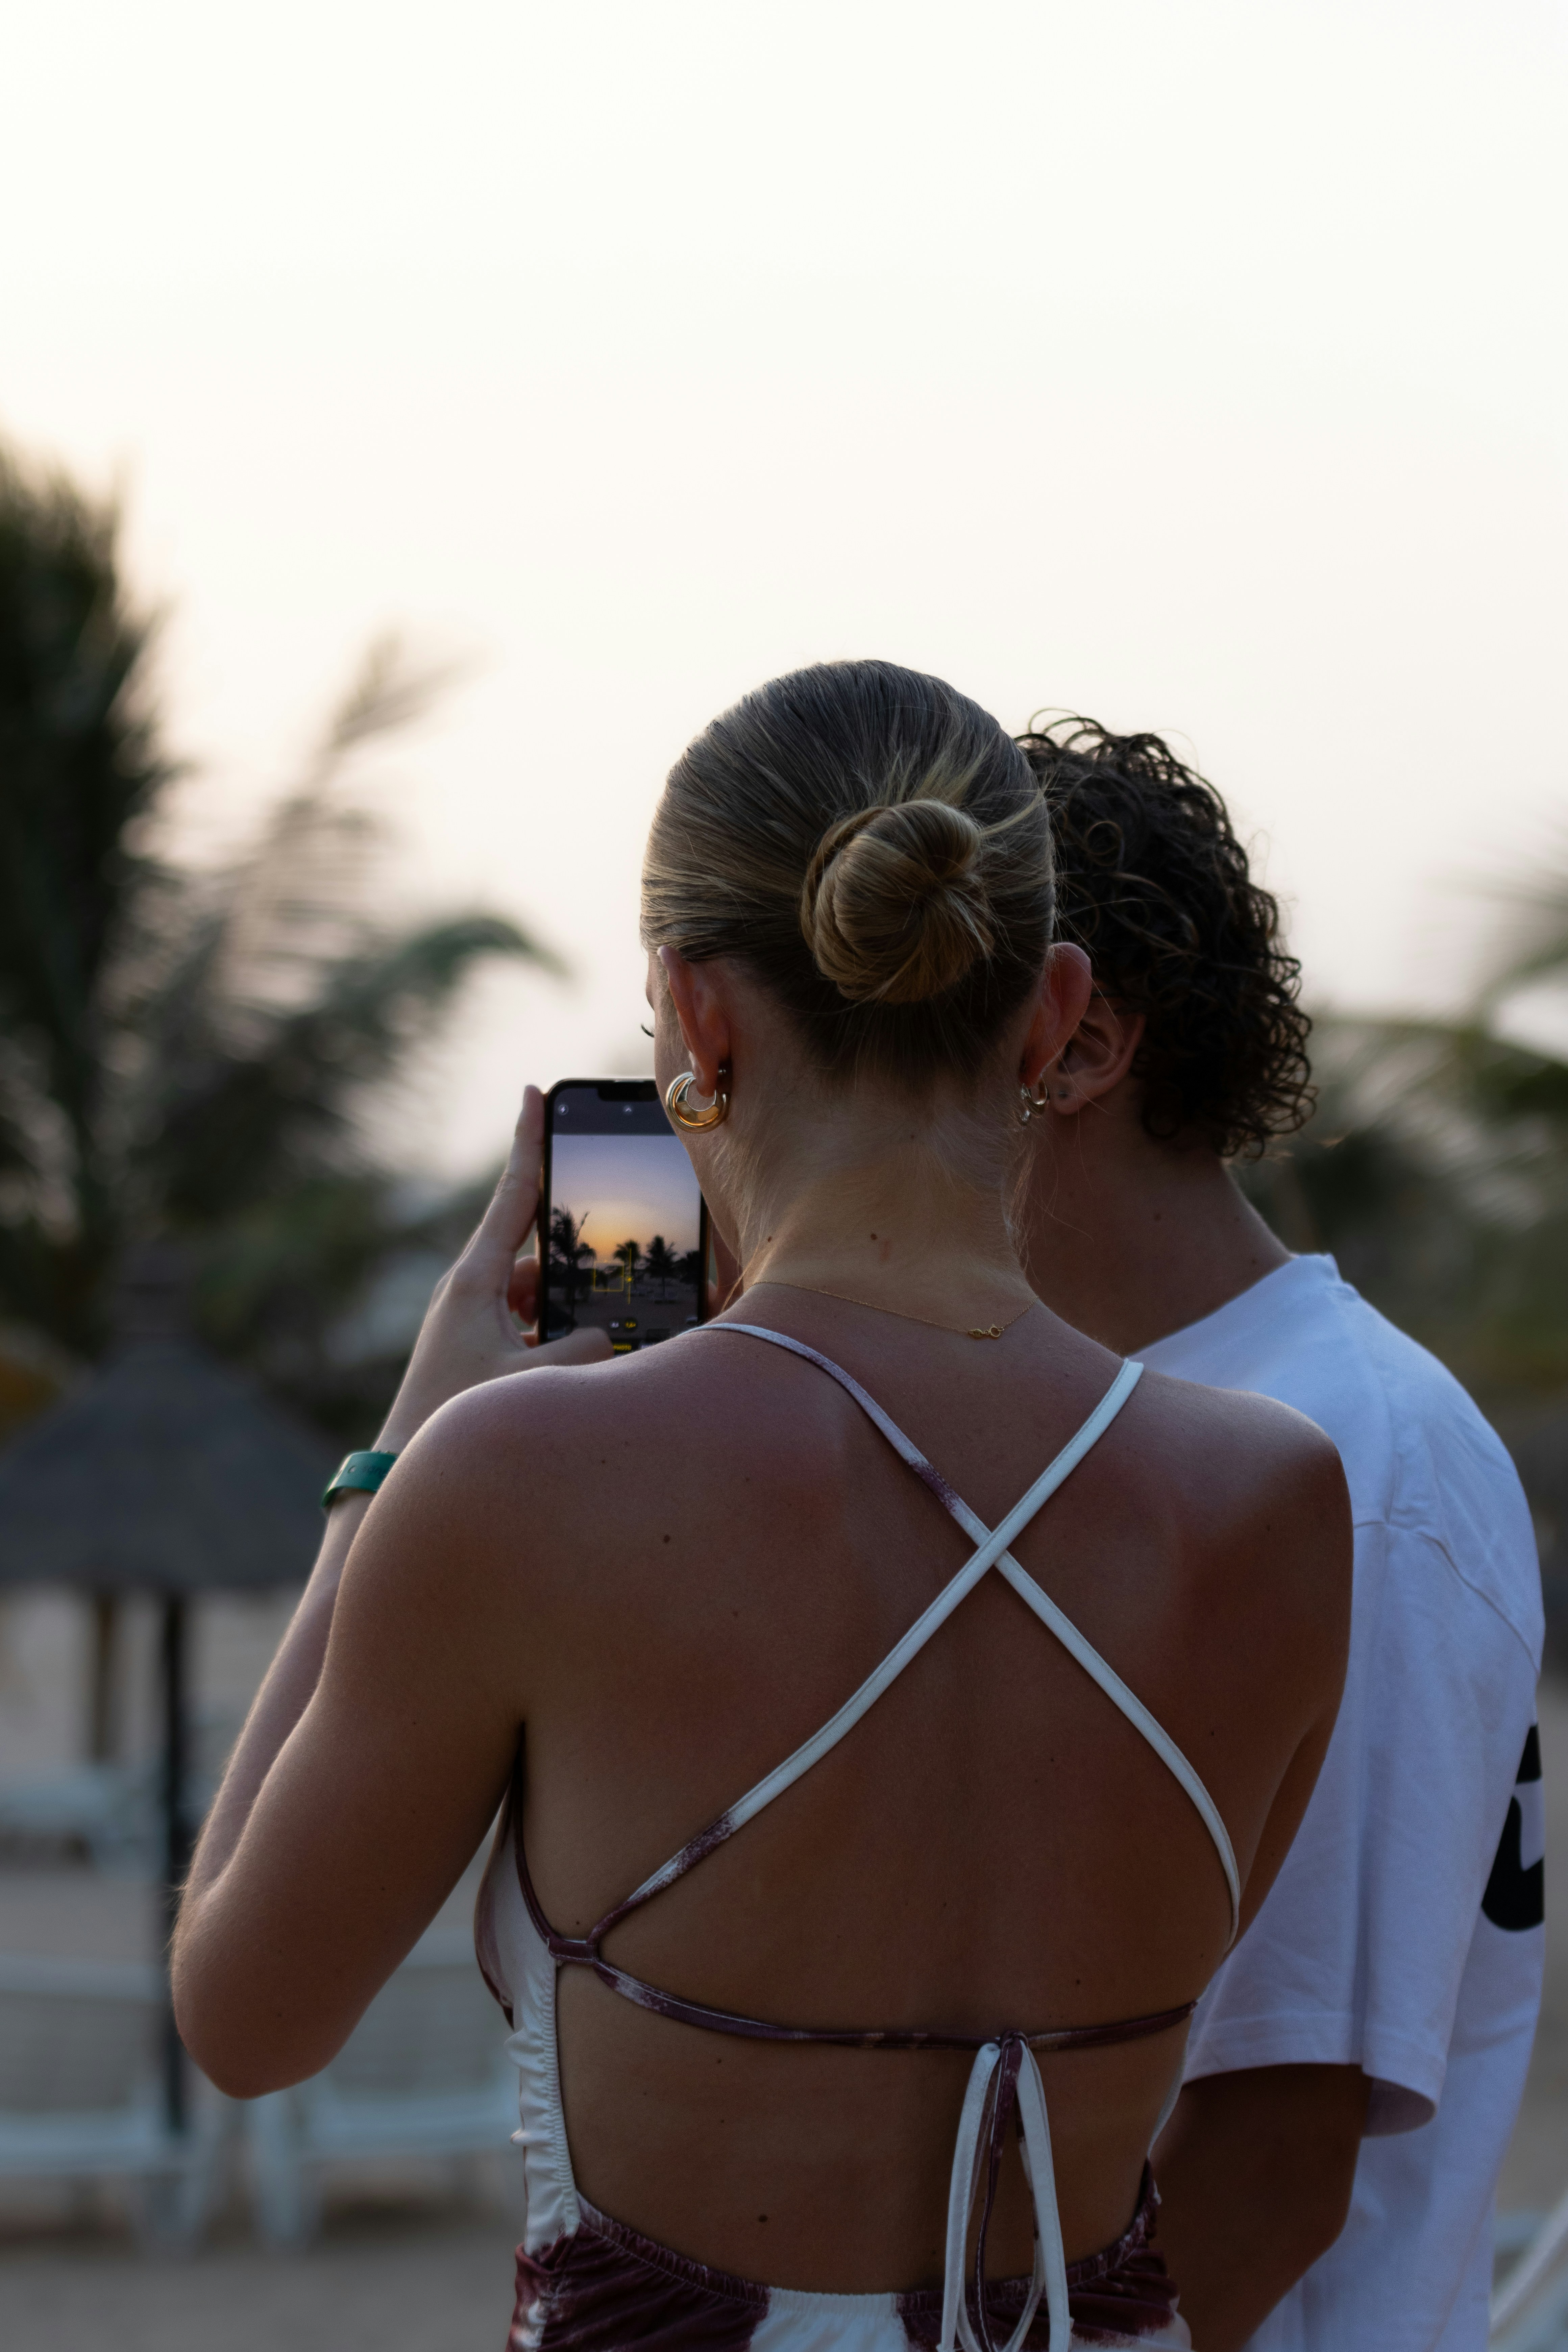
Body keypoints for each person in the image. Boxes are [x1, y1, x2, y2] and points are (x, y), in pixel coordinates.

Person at [175, 663, 1350, 2352]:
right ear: (1047, 1009)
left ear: (693, 1016)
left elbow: (246, 2016)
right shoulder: (1273, 1503)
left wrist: (394, 1457)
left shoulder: (525, 1481)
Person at [1013, 717, 1546, 2352]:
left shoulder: (1350, 1460)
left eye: (880, 1039)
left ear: (1077, 1043)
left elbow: (1272, 2143)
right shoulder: (1081, 1423)